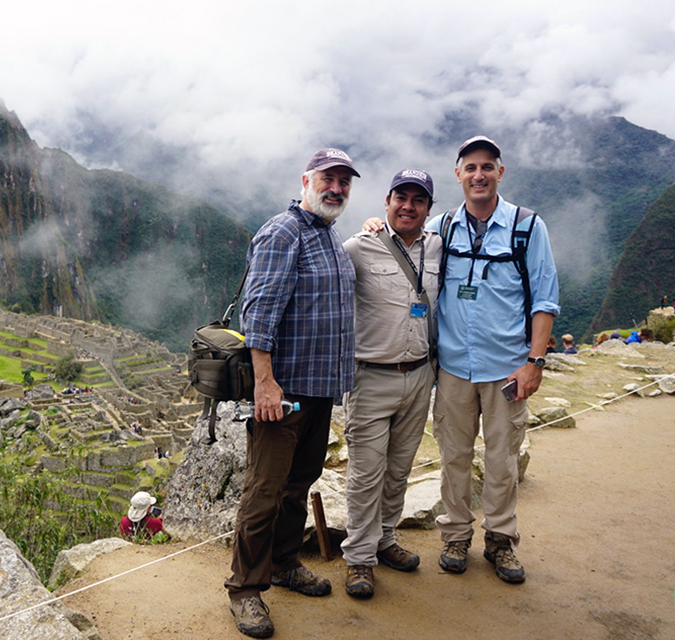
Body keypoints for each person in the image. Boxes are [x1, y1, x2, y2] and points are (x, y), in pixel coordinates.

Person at [225, 148, 358, 638]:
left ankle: (283, 564)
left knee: (299, 482)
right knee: (264, 490)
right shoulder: (283, 232)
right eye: (328, 178)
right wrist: (265, 382)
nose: (336, 188)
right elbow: (258, 312)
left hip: (319, 389)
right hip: (283, 392)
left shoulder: (326, 233)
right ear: (306, 180)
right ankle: (245, 588)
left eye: (344, 182)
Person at [430, 136, 559, 585]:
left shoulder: (526, 227)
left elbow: (544, 299)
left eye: (488, 167)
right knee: (454, 457)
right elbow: (401, 244)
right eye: (471, 167)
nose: (479, 175)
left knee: (502, 458)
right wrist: (374, 225)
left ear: (500, 172)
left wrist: (535, 362)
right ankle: (456, 534)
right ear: (458, 174)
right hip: (452, 368)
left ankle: (501, 540)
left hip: (507, 369)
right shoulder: (442, 227)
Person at [339, 169, 441, 600]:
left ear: (429, 209)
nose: (408, 206)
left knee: (399, 468)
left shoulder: (438, 247)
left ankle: (385, 538)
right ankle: (359, 558)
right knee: (366, 473)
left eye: (418, 200)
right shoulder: (358, 248)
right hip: (371, 377)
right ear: (386, 201)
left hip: (420, 375)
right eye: (401, 197)